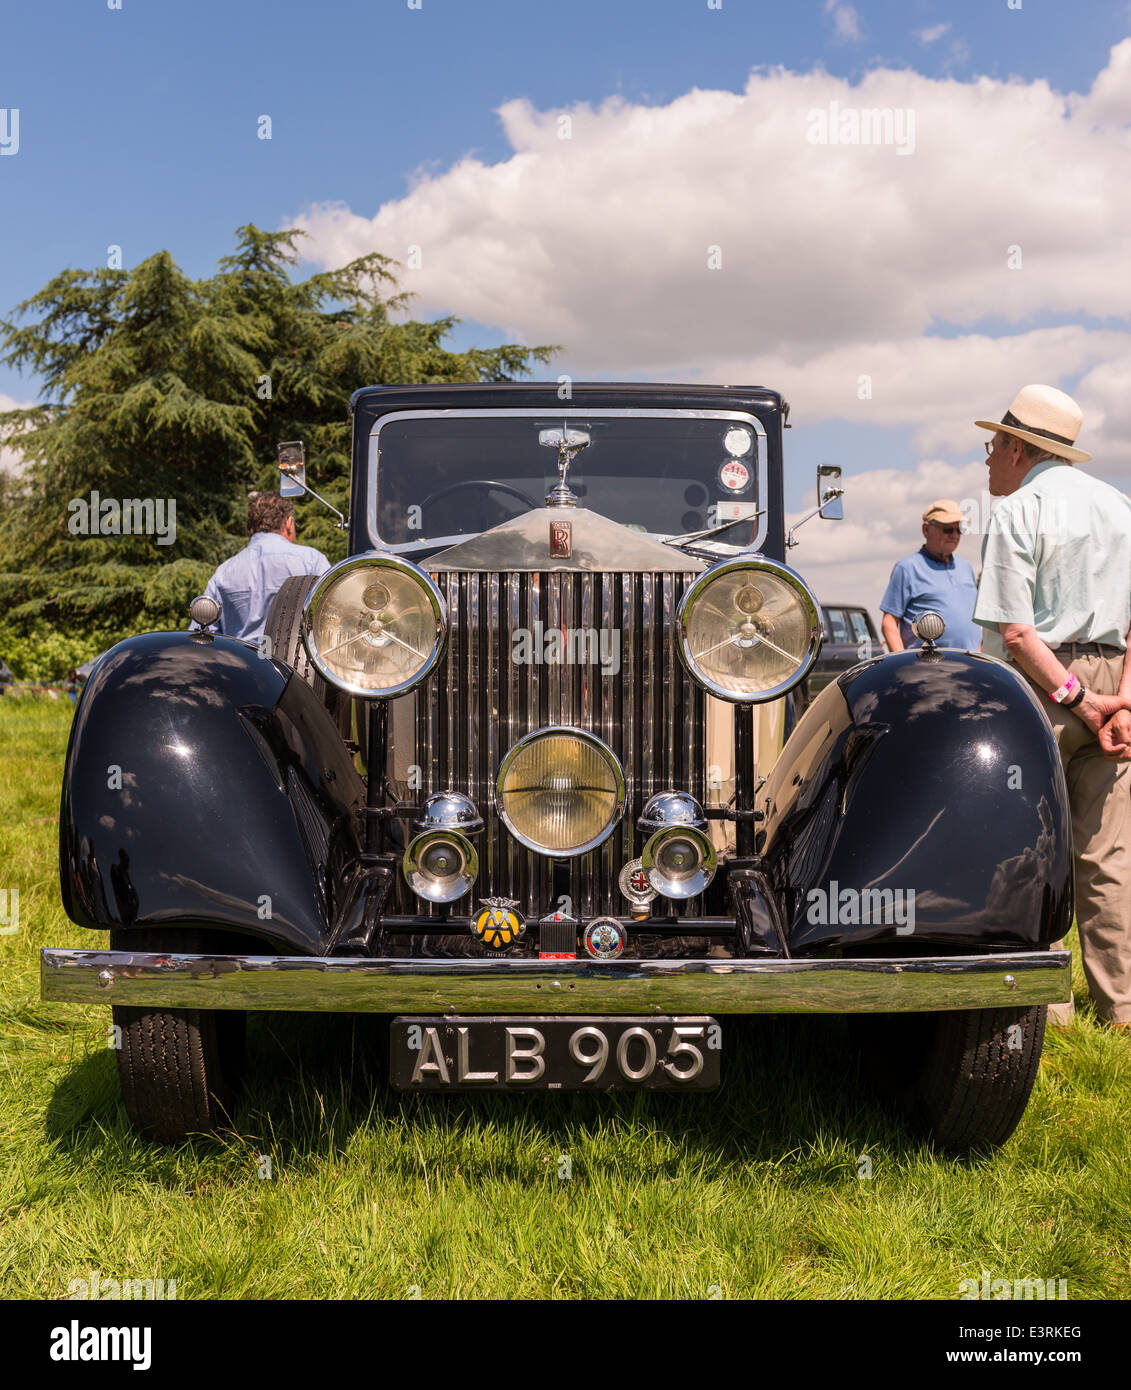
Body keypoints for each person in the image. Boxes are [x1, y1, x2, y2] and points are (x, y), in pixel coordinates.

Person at [973, 383, 1131, 1031]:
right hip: (1114, 681)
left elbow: (1014, 633)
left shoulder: (1016, 511)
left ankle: (1048, 1011)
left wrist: (1077, 699)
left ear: (1016, 447)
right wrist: (1119, 700)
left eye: (991, 446)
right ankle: (1120, 1011)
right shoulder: (1120, 507)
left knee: (1029, 850)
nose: (986, 459)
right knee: (1109, 855)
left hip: (1044, 687)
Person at [196, 492, 330, 643]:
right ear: (288, 523)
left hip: (241, 662)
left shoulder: (224, 571)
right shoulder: (311, 560)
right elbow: (332, 618)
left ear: (252, 526)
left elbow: (203, 632)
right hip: (293, 663)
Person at [879, 499, 981, 651]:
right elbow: (889, 623)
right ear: (926, 530)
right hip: (927, 669)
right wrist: (903, 665)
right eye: (948, 529)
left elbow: (972, 623)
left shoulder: (965, 567)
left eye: (959, 529)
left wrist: (977, 652)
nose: (954, 535)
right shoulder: (907, 568)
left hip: (969, 666)